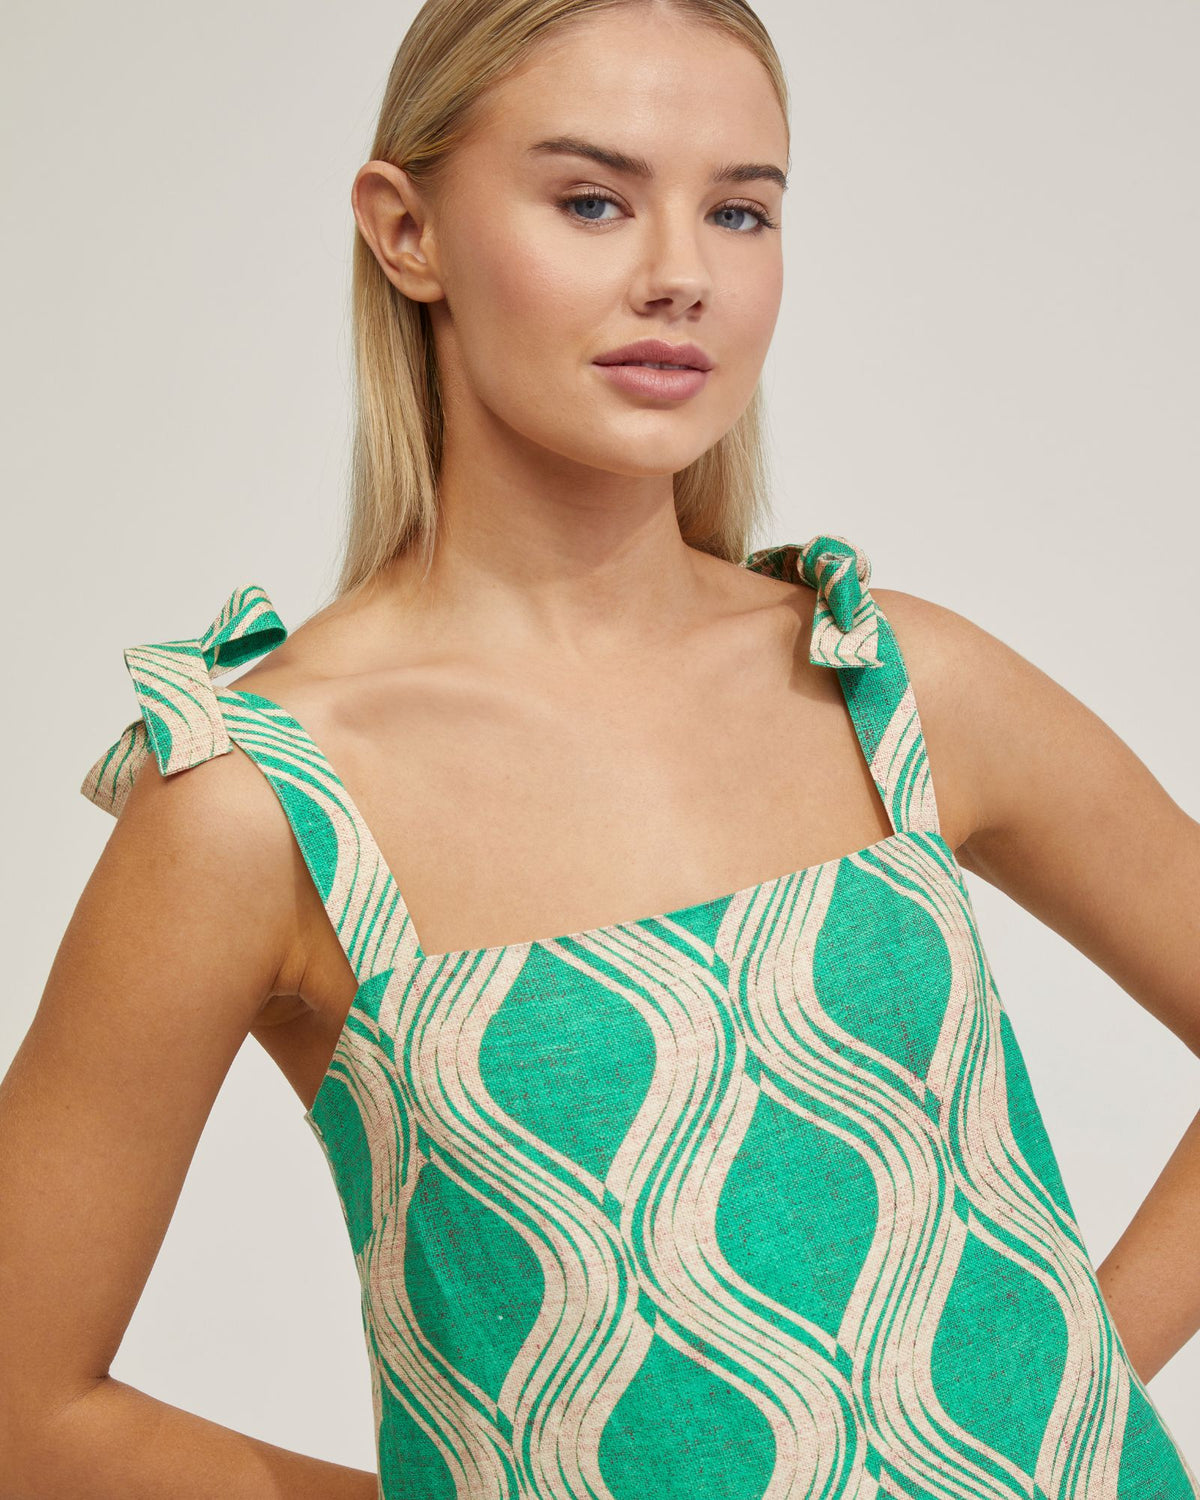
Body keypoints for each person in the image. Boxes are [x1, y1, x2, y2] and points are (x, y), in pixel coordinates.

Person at [2, 0, 1198, 1494]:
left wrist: (1057, 1391)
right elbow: (23, 1408)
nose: (682, 273)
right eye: (591, 201)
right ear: (406, 232)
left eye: (741, 212)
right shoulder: (259, 807)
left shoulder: (894, 689)